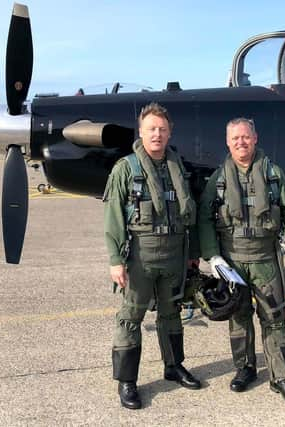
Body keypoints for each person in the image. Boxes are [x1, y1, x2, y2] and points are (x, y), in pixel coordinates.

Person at [198, 118, 285, 405]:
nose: (240, 143)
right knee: (239, 317)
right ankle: (244, 368)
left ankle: (282, 377)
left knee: (274, 319)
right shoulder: (218, 178)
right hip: (233, 261)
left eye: (245, 137)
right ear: (227, 142)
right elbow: (204, 217)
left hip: (266, 258)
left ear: (255, 138)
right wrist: (213, 255)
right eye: (235, 139)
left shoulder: (273, 173)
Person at [103, 102, 201, 410]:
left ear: (169, 132)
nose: (157, 134)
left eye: (162, 129)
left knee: (171, 314)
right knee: (131, 317)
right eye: (151, 129)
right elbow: (114, 217)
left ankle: (173, 366)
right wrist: (115, 260)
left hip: (174, 255)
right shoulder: (126, 169)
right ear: (141, 132)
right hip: (140, 257)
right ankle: (127, 381)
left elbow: (191, 215)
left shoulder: (178, 168)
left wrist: (192, 254)